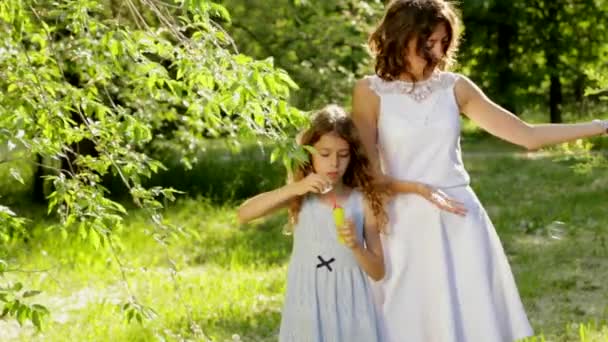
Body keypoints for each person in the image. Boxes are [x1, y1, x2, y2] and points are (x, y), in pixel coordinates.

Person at [351, 1, 608, 341]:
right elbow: (368, 174)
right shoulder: (369, 92)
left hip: (459, 217)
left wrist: (600, 125)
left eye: (444, 42)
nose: (439, 51)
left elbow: (526, 136)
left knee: (469, 324)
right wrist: (416, 193)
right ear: (402, 36)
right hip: (402, 220)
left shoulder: (455, 87)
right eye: (430, 42)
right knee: (405, 323)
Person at [238, 105, 389, 341]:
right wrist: (295, 187)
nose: (334, 164)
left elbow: (379, 272)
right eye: (325, 154)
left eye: (343, 154)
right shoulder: (301, 196)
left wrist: (356, 246)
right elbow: (244, 213)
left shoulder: (362, 201)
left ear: (353, 156)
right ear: (309, 154)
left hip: (350, 302)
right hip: (307, 301)